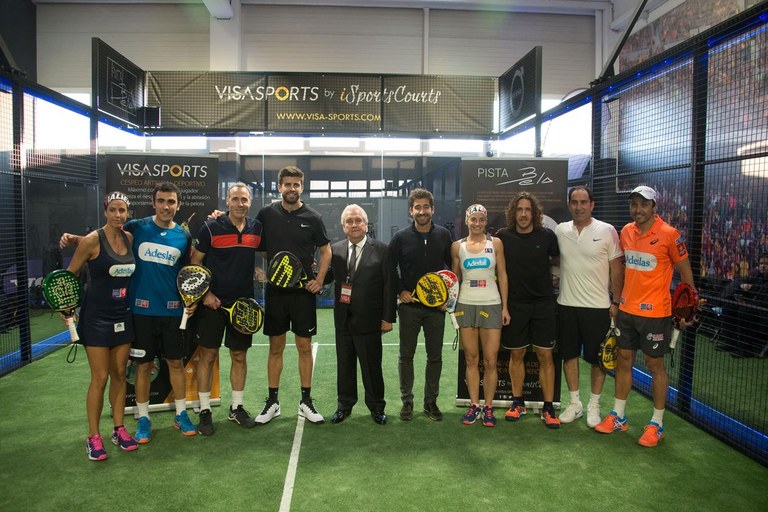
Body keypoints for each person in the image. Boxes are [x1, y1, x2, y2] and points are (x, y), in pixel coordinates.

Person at [61, 182, 199, 443]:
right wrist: (76, 239)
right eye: (161, 201)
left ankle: (181, 414)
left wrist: (189, 300)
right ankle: (143, 418)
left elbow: (186, 273)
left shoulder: (183, 236)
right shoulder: (137, 227)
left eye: (171, 202)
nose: (166, 206)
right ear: (153, 203)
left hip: (172, 312)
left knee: (175, 364)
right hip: (139, 311)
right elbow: (107, 239)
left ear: (178, 205)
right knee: (143, 367)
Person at [595, 185, 695, 447]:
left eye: (643, 204)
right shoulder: (626, 232)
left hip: (656, 313)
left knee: (655, 366)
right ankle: (618, 415)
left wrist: (687, 308)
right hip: (627, 310)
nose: (637, 210)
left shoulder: (670, 235)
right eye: (634, 205)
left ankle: (657, 423)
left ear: (653, 207)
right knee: (624, 361)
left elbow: (686, 275)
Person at [254, 166, 331, 425]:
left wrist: (318, 280)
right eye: (287, 184)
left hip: (303, 295)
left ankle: (305, 402)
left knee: (304, 347)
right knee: (275, 348)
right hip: (275, 293)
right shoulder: (266, 214)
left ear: (302, 187)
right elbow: (262, 249)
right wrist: (277, 271)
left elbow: (326, 251)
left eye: (296, 185)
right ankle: (273, 402)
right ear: (279, 186)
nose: (292, 189)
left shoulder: (313, 217)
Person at [65, 192, 138, 461]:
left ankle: (119, 429)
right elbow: (70, 277)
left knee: (120, 373)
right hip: (96, 318)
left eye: (123, 211)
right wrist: (67, 308)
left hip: (123, 315)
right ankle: (93, 437)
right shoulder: (92, 240)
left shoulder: (129, 238)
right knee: (100, 377)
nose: (119, 215)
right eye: (114, 210)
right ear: (105, 211)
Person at [191, 183, 263, 435]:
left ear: (250, 202)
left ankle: (237, 407)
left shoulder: (257, 228)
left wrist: (260, 270)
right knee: (208, 356)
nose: (240, 203)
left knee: (239, 356)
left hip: (243, 306)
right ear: (227, 201)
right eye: (235, 199)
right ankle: (204, 410)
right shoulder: (211, 228)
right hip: (213, 304)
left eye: (244, 199)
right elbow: (195, 263)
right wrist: (206, 294)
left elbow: (262, 253)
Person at [555, 186, 624, 427]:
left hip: (598, 307)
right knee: (569, 356)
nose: (579, 206)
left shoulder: (607, 231)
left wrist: (616, 300)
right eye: (574, 202)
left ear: (592, 205)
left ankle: (594, 405)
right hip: (566, 305)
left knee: (597, 360)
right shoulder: (561, 230)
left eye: (584, 202)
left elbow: (617, 268)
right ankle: (575, 404)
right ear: (569, 204)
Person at [326, 204, 397, 425]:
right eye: (349, 221)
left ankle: (377, 407)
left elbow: (389, 285)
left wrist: (388, 318)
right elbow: (326, 277)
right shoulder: (334, 249)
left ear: (366, 224)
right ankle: (344, 405)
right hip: (343, 320)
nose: (354, 225)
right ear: (343, 226)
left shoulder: (383, 250)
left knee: (372, 367)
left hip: (370, 320)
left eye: (358, 220)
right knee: (344, 366)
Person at [496, 191, 561, 429]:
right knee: (517, 354)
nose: (523, 214)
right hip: (515, 305)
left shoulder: (547, 236)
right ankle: (517, 402)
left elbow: (558, 261)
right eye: (519, 210)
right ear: (513, 213)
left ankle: (548, 407)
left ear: (535, 213)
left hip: (543, 304)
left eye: (528, 210)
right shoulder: (502, 237)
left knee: (545, 356)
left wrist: (555, 280)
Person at [389, 188, 453, 421]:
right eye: (418, 207)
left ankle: (430, 403)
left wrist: (448, 297)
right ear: (411, 210)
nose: (422, 211)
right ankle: (407, 402)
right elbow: (389, 267)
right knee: (406, 356)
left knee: (434, 356)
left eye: (426, 207)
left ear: (432, 209)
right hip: (410, 308)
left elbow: (452, 267)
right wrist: (401, 291)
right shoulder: (401, 238)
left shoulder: (444, 235)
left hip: (436, 309)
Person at [451, 204, 510, 427]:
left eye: (481, 220)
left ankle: (488, 407)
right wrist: (450, 305)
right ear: (466, 220)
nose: (477, 223)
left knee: (491, 360)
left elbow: (502, 275)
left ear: (486, 222)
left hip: (491, 304)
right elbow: (454, 278)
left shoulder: (495, 244)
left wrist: (505, 307)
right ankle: (474, 405)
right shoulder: (457, 247)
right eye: (473, 219)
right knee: (471, 359)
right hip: (465, 304)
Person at [716, 254, 768, 358]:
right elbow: (741, 281)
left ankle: (745, 349)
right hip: (752, 306)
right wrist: (741, 286)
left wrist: (749, 297)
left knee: (744, 311)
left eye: (766, 264)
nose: (763, 266)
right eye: (761, 263)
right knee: (729, 306)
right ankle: (730, 342)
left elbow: (764, 299)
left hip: (763, 311)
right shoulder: (757, 276)